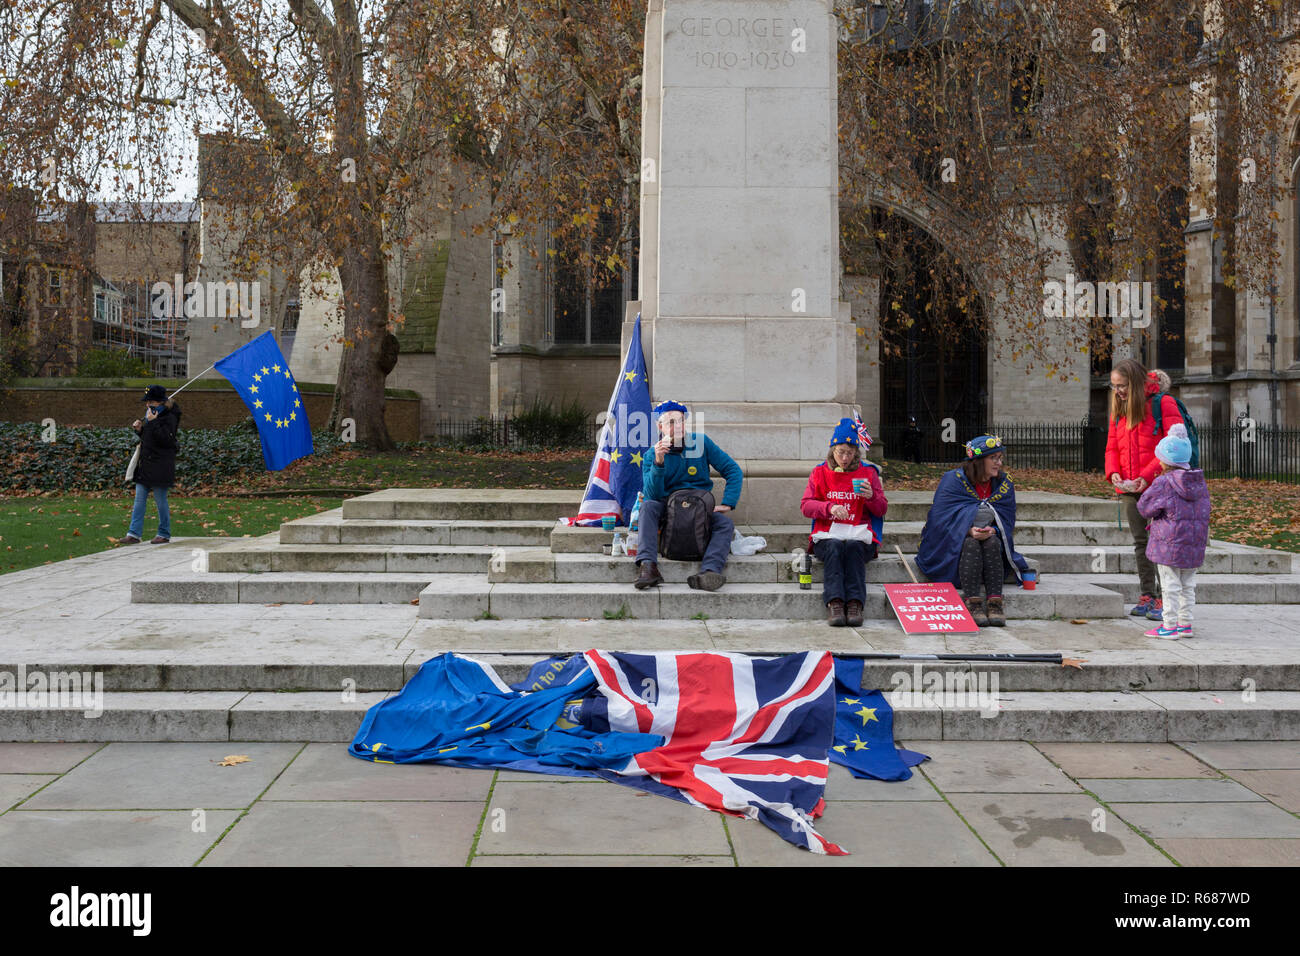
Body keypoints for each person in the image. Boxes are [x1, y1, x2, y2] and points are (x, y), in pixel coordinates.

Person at [915, 435, 1031, 627]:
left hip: (991, 541)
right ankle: (973, 602)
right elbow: (939, 520)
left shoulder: (1003, 484)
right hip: (953, 545)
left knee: (992, 542)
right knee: (971, 543)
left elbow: (1007, 519)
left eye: (1000, 458)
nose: (999, 463)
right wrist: (967, 530)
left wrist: (993, 530)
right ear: (978, 461)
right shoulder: (953, 481)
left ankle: (995, 602)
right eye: (994, 458)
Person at [633, 400, 743, 591]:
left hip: (699, 507)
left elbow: (733, 470)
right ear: (661, 427)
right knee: (648, 507)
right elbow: (652, 494)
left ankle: (709, 572)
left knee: (725, 523)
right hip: (668, 508)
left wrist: (728, 502)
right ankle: (648, 567)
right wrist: (659, 463)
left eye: (681, 421)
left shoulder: (701, 443)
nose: (678, 427)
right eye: (671, 422)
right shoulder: (652, 454)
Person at [1105, 359, 1184, 622]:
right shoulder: (1119, 407)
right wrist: (1114, 472)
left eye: (1123, 386)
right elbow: (1112, 446)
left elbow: (1171, 447)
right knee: (1141, 542)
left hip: (1160, 485)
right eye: (1115, 386)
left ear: (1137, 383)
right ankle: (1147, 594)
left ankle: (1165, 598)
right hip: (1130, 487)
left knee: (1163, 542)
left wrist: (1144, 476)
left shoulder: (1163, 404)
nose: (1119, 391)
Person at [800, 418, 888, 627]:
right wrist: (828, 508)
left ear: (857, 453)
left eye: (850, 453)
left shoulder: (868, 473)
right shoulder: (819, 472)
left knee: (854, 547)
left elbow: (882, 509)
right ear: (832, 450)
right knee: (834, 547)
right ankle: (835, 602)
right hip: (828, 535)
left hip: (859, 534)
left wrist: (871, 497)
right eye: (840, 452)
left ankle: (856, 603)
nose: (845, 458)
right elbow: (806, 506)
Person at [1137, 425, 1210, 639]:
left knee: (1170, 584)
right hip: (1193, 542)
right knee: (1188, 584)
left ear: (1166, 460)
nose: (1158, 461)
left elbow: (1145, 507)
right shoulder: (1198, 482)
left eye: (1160, 457)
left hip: (1168, 543)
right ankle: (1185, 623)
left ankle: (1168, 625)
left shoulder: (1163, 482)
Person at [119, 384, 182, 545]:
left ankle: (164, 532)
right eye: (147, 402)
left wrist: (153, 423)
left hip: (161, 465)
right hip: (146, 465)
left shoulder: (169, 417)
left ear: (160, 402)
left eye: (151, 402)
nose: (147, 405)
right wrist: (140, 430)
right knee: (139, 499)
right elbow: (149, 439)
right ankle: (134, 533)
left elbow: (166, 440)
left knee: (160, 500)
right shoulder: (151, 415)